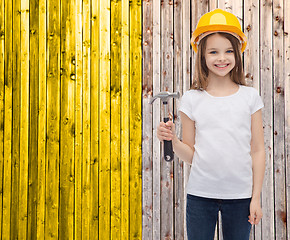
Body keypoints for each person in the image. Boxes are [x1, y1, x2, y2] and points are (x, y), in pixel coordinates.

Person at [157, 9, 266, 240]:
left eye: (228, 51)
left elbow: (257, 150)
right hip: (200, 196)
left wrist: (255, 197)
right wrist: (173, 141)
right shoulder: (191, 99)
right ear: (202, 56)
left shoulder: (250, 97)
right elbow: (191, 155)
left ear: (237, 54)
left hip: (241, 197)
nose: (221, 58)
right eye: (213, 52)